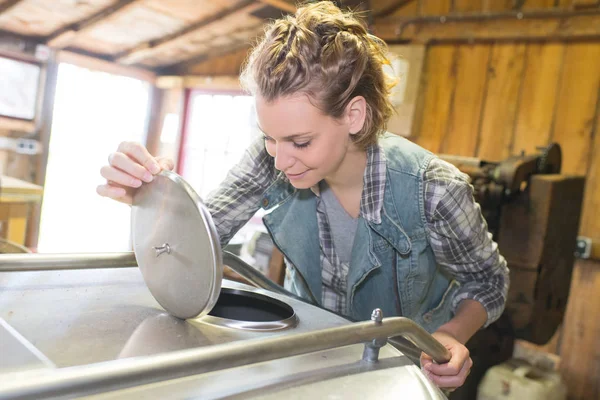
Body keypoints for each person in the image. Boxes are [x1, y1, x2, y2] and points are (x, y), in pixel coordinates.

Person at [97, 1, 509, 392]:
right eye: (270, 138)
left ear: (354, 115)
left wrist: (449, 336)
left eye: (300, 141)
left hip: (400, 373)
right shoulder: (270, 156)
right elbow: (202, 238)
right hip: (304, 361)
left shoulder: (433, 190)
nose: (280, 161)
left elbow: (488, 281)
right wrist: (153, 201)